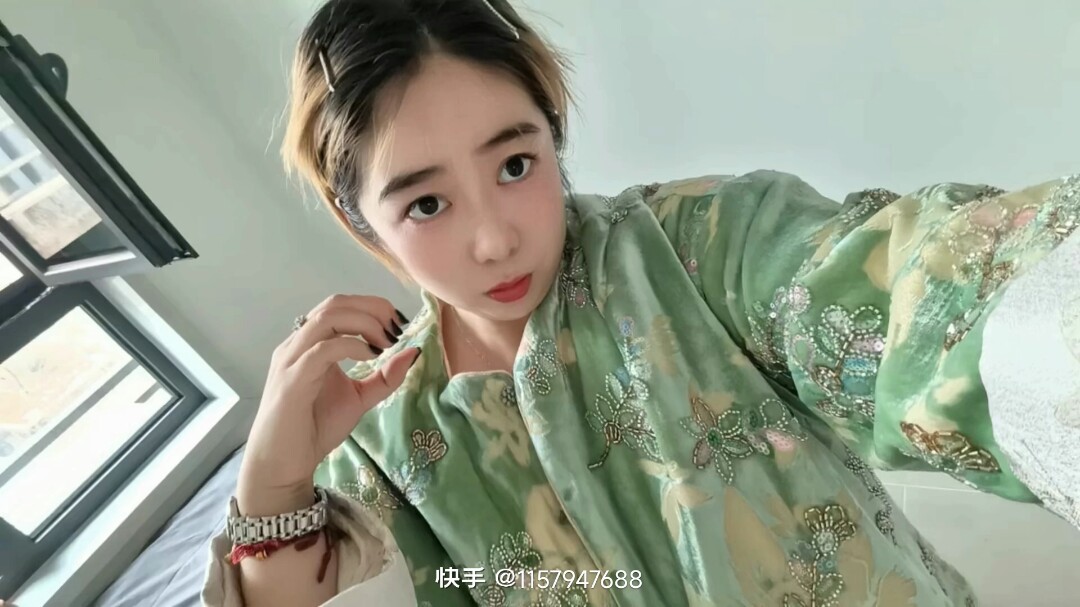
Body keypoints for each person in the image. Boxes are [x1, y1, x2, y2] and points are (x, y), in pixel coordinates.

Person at [201, 0, 1080, 605]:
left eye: (516, 164)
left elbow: (898, 282)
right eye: (427, 204)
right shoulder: (381, 430)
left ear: (554, 135)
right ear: (365, 225)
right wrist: (273, 481)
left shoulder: (697, 244)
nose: (495, 239)